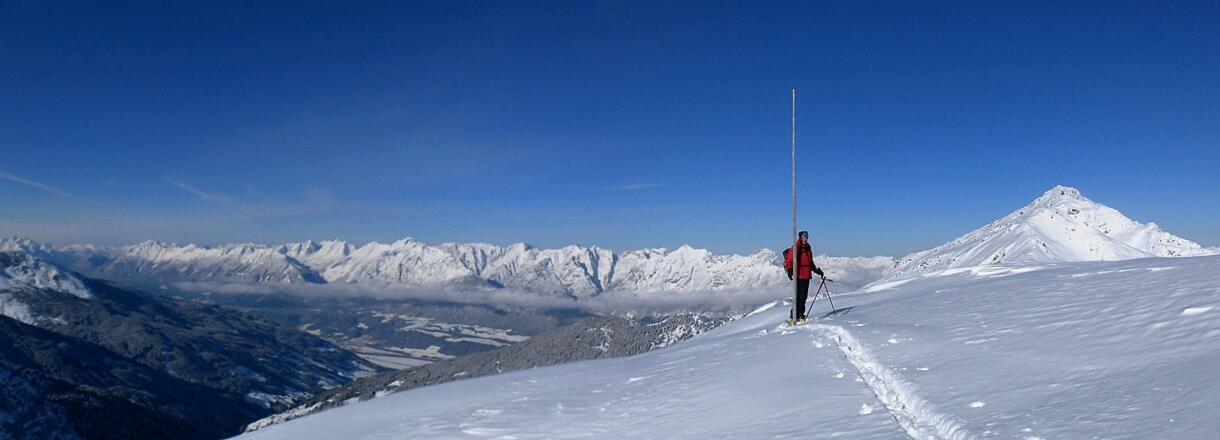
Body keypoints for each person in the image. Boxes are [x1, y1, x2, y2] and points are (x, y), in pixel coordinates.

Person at [783, 230, 824, 322]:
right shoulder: (796, 248)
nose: (805, 238)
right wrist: (790, 270)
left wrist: (817, 271)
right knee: (798, 296)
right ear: (800, 237)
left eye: (807, 236)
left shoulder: (808, 249)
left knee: (804, 297)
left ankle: (801, 314)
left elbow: (810, 263)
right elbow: (790, 259)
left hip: (806, 275)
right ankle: (794, 315)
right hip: (799, 275)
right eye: (804, 236)